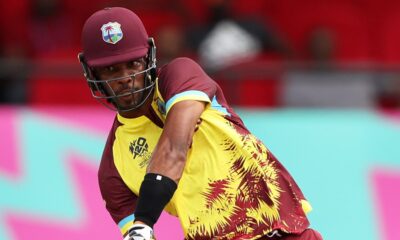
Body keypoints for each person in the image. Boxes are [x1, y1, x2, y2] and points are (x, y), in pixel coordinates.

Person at [78, 7, 322, 240]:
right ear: (93, 75)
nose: (126, 78)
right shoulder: (112, 172)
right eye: (111, 69)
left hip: (285, 231)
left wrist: (144, 221)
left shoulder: (180, 75)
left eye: (133, 63)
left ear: (149, 58)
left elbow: (175, 147)